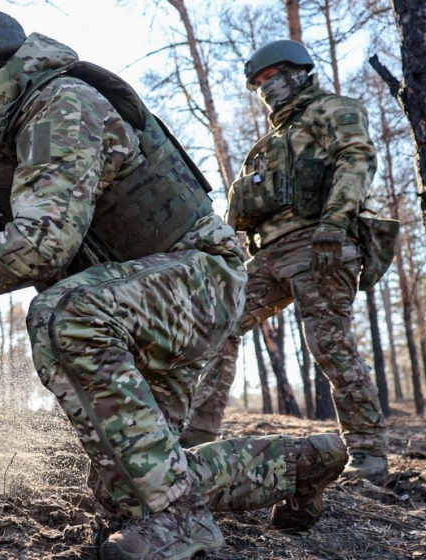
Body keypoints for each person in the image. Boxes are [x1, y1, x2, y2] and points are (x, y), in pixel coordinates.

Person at [0, 9, 347, 559]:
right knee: (131, 487)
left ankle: (183, 521)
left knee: (61, 312)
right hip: (149, 299)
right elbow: (43, 243)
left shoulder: (59, 104)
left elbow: (42, 246)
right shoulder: (18, 134)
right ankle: (308, 461)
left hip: (199, 280)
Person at [179, 39, 388, 485]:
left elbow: (357, 158)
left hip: (320, 244)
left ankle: (369, 456)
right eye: (258, 84)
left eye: (271, 77)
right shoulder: (268, 144)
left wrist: (335, 224)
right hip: (268, 255)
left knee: (329, 344)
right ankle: (196, 437)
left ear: (298, 72)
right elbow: (239, 212)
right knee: (220, 324)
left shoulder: (331, 110)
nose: (265, 89)